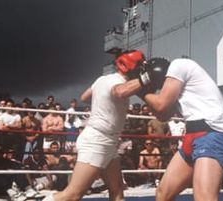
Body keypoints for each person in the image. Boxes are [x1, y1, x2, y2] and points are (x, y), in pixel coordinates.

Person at [43, 49, 146, 201]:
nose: (141, 70)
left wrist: (102, 101)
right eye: (140, 66)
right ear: (131, 67)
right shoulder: (117, 82)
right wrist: (147, 79)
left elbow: (84, 97)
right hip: (97, 140)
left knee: (117, 191)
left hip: (108, 141)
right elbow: (120, 92)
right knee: (72, 195)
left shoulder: (102, 79)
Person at [138, 57, 223, 201]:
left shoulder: (179, 64)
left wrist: (141, 91)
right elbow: (163, 116)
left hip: (212, 133)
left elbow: (160, 105)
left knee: (204, 198)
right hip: (192, 136)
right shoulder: (176, 91)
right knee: (163, 194)